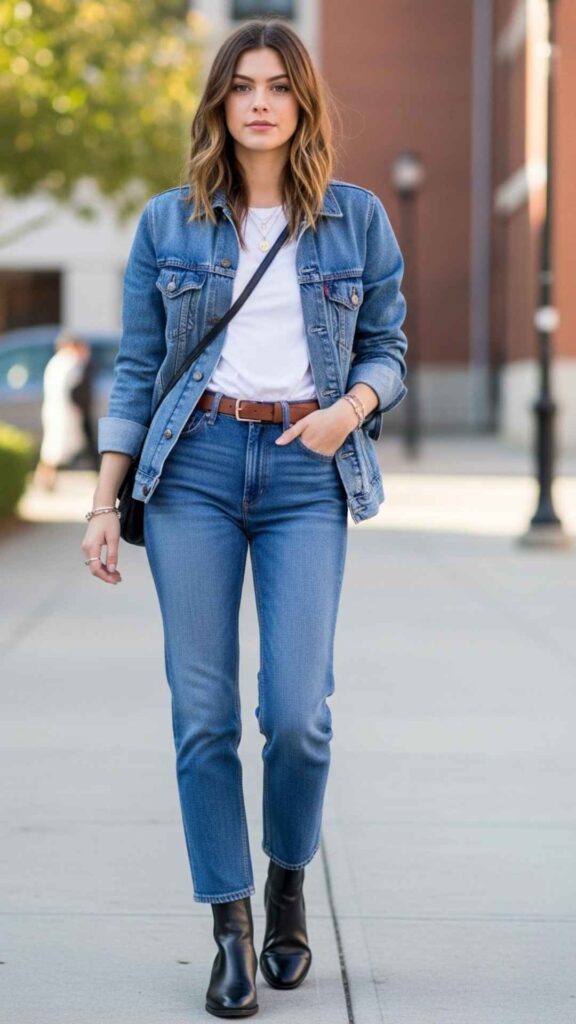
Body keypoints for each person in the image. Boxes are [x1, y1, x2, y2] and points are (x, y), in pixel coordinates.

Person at [81, 17, 408, 1019]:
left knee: (298, 715)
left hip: (308, 470)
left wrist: (348, 410)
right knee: (203, 712)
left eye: (278, 84)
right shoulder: (166, 224)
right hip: (195, 470)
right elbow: (137, 370)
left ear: (303, 102)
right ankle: (229, 925)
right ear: (219, 103)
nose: (260, 100)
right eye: (242, 85)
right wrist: (105, 498)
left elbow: (388, 350)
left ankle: (287, 886)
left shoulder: (356, 221)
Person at [34, 331, 90, 491]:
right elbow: (76, 389)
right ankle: (46, 480)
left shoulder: (55, 361)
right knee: (54, 449)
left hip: (53, 409)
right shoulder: (70, 362)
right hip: (64, 411)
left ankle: (45, 480)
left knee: (51, 447)